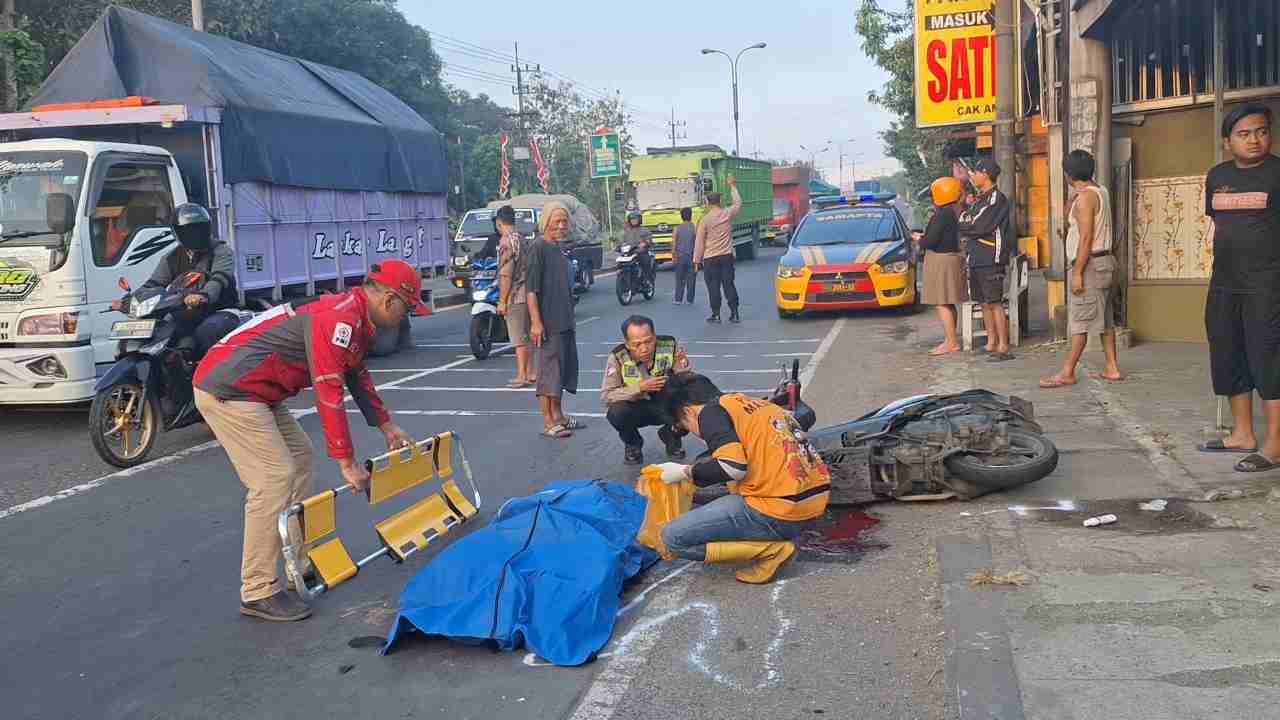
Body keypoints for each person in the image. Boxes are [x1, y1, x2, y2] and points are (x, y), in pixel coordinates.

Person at [192, 259, 424, 622]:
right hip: (231, 389)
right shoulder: (339, 318)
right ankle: (258, 589)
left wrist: (386, 425)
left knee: (300, 459)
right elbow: (329, 391)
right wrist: (346, 462)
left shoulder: (356, 319)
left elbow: (356, 374)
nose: (405, 317)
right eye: (408, 309)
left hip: (260, 393)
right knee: (273, 479)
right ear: (391, 301)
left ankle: (294, 563)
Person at [651, 373, 830, 584]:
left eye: (685, 424)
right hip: (814, 503)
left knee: (673, 538)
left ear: (688, 411)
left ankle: (772, 551)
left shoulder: (709, 413)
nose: (691, 431)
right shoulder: (751, 403)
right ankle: (767, 535)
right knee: (724, 493)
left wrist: (686, 472)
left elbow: (733, 468)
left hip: (783, 514)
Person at [1197, 104, 1280, 473]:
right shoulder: (1217, 176)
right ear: (1227, 141)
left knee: (1269, 359)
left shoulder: (1278, 173)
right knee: (1228, 353)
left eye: (1261, 131)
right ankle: (1243, 434)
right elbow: (1218, 225)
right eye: (1244, 134)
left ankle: (1275, 444)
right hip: (1225, 283)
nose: (1255, 140)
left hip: (1268, 284)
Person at [1040, 150, 1123, 389]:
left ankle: (1067, 371)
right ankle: (1112, 367)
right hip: (1105, 262)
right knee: (1105, 320)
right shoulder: (1100, 191)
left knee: (1079, 321)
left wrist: (1077, 272)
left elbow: (1086, 237)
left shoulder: (1085, 198)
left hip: (1089, 265)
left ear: (1067, 175)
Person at [112, 203, 240, 355]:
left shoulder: (221, 251)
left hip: (220, 310)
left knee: (207, 332)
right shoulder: (171, 257)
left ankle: (208, 376)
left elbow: (219, 279)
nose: (195, 235)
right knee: (161, 333)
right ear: (177, 232)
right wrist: (129, 300)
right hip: (185, 313)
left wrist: (203, 295)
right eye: (189, 231)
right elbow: (153, 283)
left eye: (199, 229)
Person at [527, 201, 585, 439]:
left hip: (565, 320)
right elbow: (531, 290)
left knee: (562, 370)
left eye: (564, 222)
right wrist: (536, 322)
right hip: (548, 322)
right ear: (546, 222)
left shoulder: (558, 248)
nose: (561, 226)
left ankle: (559, 415)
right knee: (549, 372)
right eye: (556, 221)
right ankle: (547, 421)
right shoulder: (538, 247)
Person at [602, 315, 692, 464]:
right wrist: (639, 388)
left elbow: (686, 379)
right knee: (616, 412)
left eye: (648, 341)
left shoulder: (670, 345)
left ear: (654, 337)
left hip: (666, 404)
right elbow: (607, 395)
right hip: (637, 407)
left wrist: (681, 371)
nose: (644, 348)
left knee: (688, 401)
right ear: (628, 344)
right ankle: (633, 444)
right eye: (637, 344)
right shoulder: (618, 357)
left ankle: (671, 435)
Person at [958, 159, 1015, 361]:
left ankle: (1003, 346)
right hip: (976, 256)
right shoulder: (981, 199)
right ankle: (991, 342)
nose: (973, 177)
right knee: (983, 301)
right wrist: (967, 222)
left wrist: (966, 224)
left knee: (994, 302)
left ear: (986, 174)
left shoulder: (996, 200)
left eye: (976, 173)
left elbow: (978, 226)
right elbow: (966, 220)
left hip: (991, 256)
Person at [916, 177, 967, 356]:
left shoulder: (941, 215)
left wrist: (919, 239)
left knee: (941, 302)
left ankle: (952, 342)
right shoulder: (953, 212)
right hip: (951, 259)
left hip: (941, 261)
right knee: (948, 302)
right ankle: (950, 339)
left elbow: (931, 240)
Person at [694, 175, 743, 323]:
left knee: (713, 287)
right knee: (729, 284)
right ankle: (734, 313)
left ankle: (716, 314)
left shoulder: (705, 220)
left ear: (708, 203)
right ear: (720, 202)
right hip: (726, 256)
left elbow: (699, 242)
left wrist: (697, 260)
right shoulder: (726, 214)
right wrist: (732, 186)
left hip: (710, 258)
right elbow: (738, 203)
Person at [495, 205, 535, 388]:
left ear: (499, 223)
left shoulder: (505, 242)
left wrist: (502, 301)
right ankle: (531, 372)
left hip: (515, 295)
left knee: (518, 338)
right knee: (528, 335)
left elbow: (506, 274)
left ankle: (521, 375)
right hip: (529, 293)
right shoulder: (522, 239)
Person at [622, 210, 656, 284]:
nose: (633, 221)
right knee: (620, 263)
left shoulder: (644, 230)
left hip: (641, 252)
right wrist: (619, 245)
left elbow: (649, 239)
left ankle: (647, 280)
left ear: (639, 220)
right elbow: (623, 241)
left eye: (635, 219)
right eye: (632, 219)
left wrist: (644, 243)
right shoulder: (627, 231)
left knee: (645, 262)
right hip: (629, 253)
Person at [672, 207, 697, 305]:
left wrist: (673, 257)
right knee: (691, 279)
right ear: (691, 216)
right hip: (692, 256)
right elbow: (697, 243)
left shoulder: (676, 229)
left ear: (681, 216)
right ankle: (690, 299)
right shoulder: (695, 228)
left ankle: (678, 299)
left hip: (680, 257)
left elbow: (674, 244)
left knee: (679, 279)